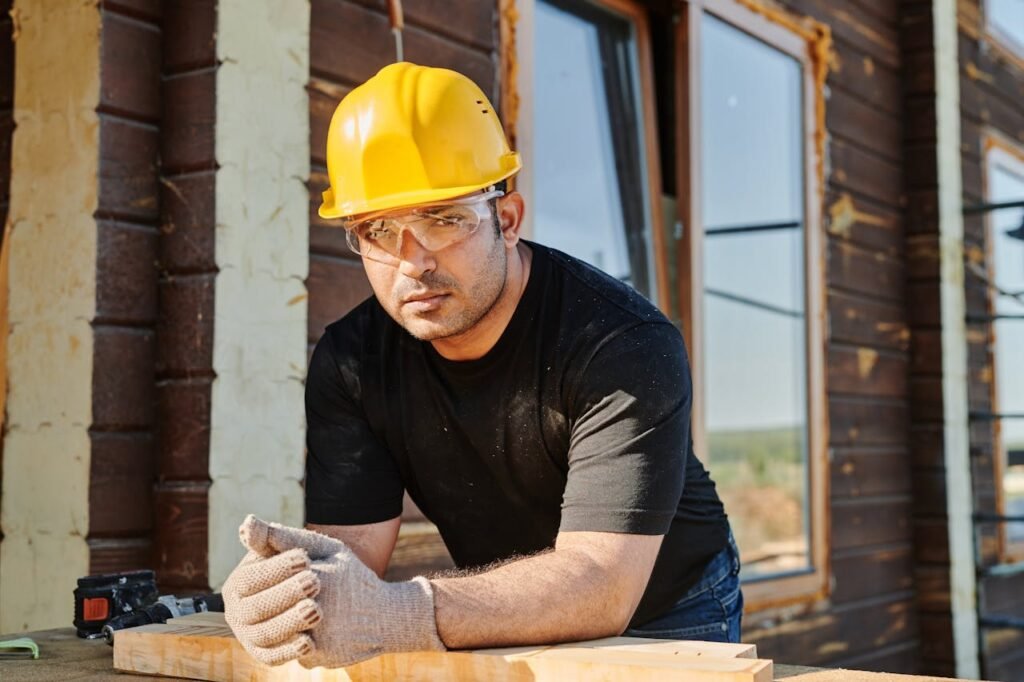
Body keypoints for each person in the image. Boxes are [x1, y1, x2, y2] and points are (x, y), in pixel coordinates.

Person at [222, 62, 741, 670]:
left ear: (509, 219)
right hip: (501, 604)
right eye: (378, 230)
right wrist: (292, 589)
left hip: (664, 602)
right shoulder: (352, 362)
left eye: (444, 220)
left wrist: (403, 612)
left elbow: (602, 584)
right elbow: (353, 551)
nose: (412, 262)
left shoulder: (622, 343)